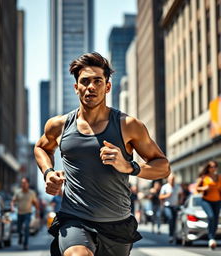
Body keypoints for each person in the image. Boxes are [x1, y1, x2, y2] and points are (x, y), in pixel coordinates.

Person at [34, 52, 170, 256]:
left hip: (117, 224)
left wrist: (129, 166)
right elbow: (41, 147)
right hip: (75, 218)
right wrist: (48, 172)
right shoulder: (59, 125)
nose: (91, 87)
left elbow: (163, 166)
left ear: (107, 87)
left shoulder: (128, 125)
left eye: (97, 81)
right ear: (76, 87)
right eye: (85, 81)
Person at [195, 160, 221, 250]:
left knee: (216, 219)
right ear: (208, 168)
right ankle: (211, 238)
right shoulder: (204, 177)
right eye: (211, 167)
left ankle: (212, 238)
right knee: (211, 216)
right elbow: (196, 189)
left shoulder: (219, 177)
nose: (213, 168)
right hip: (206, 200)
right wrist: (204, 188)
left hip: (217, 201)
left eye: (215, 166)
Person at [10, 177, 39, 250]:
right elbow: (13, 201)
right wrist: (12, 207)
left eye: (25, 183)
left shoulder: (32, 193)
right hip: (19, 213)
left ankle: (25, 244)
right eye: (22, 183)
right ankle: (20, 236)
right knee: (19, 229)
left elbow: (35, 203)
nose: (23, 184)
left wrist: (37, 211)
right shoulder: (18, 192)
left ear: (28, 184)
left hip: (28, 213)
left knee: (26, 227)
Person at [159, 173, 183, 243]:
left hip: (175, 206)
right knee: (171, 218)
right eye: (170, 179)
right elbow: (160, 197)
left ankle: (174, 235)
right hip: (167, 206)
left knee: (175, 221)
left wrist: (180, 201)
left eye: (173, 179)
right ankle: (171, 235)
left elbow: (181, 194)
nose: (172, 181)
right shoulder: (165, 187)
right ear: (168, 180)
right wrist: (167, 195)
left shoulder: (177, 187)